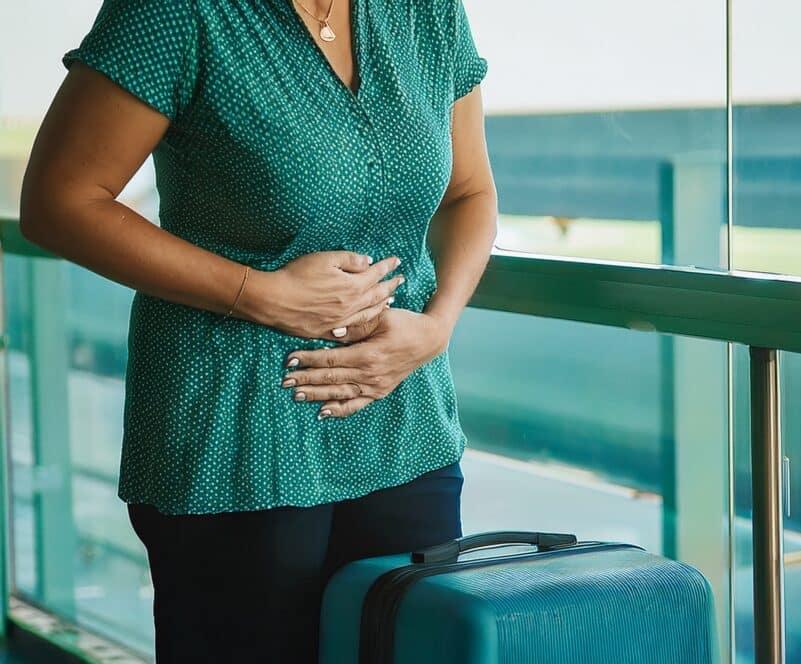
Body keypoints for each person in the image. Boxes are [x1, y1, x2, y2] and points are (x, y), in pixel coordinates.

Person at [19, 0, 497, 660]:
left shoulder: (428, 10)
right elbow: (59, 201)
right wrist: (261, 295)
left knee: (410, 645)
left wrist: (437, 327)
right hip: (233, 432)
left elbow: (469, 192)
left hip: (403, 422)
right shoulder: (177, 11)